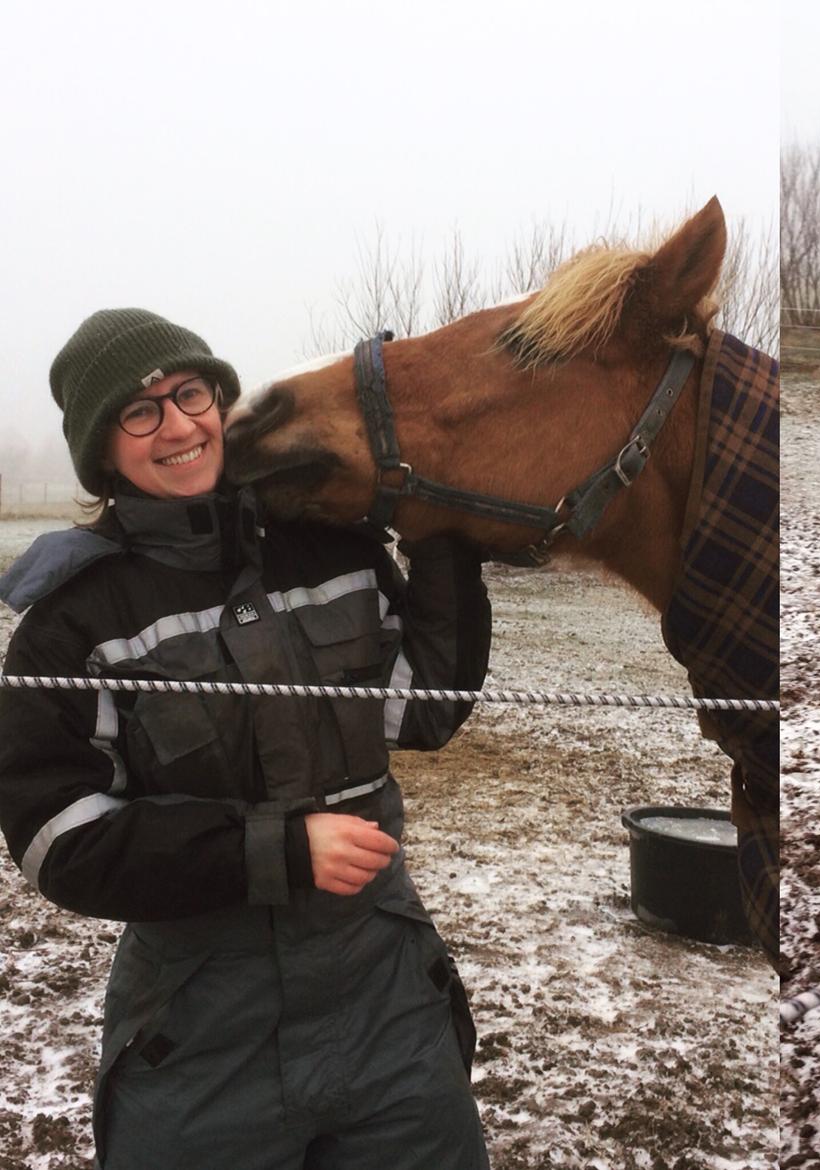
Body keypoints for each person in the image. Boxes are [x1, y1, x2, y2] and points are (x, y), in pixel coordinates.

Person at [0, 309, 492, 1169]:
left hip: (383, 989)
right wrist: (276, 850)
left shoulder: (328, 547)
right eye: (140, 411)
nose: (179, 425)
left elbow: (416, 711)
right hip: (198, 1021)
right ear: (101, 451)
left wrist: (441, 536)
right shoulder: (73, 622)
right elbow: (57, 839)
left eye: (191, 393)